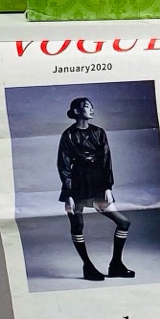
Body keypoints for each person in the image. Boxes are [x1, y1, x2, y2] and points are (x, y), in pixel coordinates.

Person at [57, 96, 133, 281]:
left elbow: (106, 160)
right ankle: (88, 266)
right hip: (77, 184)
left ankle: (116, 264)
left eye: (92, 106)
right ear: (76, 111)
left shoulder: (99, 132)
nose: (91, 109)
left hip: (98, 183)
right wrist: (69, 194)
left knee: (123, 222)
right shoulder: (68, 135)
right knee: (77, 225)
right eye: (87, 106)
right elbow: (64, 165)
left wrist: (108, 187)